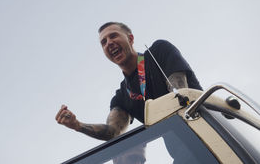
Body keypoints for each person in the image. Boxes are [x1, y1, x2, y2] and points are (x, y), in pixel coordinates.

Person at [55, 21, 202, 142]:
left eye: (113, 36)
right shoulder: (122, 96)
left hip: (206, 127)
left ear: (130, 39)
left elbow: (181, 95)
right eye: (103, 42)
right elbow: (113, 132)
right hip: (184, 149)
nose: (109, 43)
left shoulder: (158, 52)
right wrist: (77, 125)